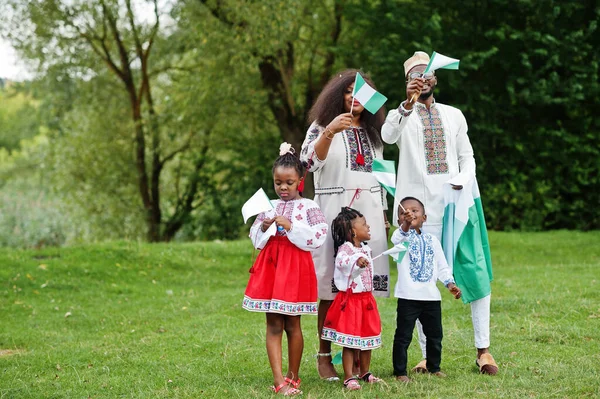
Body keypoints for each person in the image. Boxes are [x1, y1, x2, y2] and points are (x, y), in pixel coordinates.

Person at [382, 51, 498, 375]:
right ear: (407, 83)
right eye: (414, 75)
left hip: (455, 206)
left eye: (426, 72)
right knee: (418, 279)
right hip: (418, 213)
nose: (422, 78)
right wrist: (406, 104)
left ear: (436, 78)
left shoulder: (454, 115)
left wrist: (462, 180)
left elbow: (468, 156)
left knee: (474, 270)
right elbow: (386, 136)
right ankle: (423, 356)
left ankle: (484, 350)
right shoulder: (401, 116)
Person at [300, 69, 389, 381]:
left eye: (361, 92)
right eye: (350, 91)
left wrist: (385, 215)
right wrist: (330, 132)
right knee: (331, 287)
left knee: (363, 289)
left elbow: (381, 176)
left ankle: (360, 361)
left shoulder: (373, 132)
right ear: (339, 95)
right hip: (334, 212)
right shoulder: (322, 125)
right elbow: (307, 164)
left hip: (369, 214)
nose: (355, 98)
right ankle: (325, 356)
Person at [242, 143, 329, 396]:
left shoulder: (309, 207)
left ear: (300, 181)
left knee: (293, 323)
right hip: (271, 268)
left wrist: (291, 227)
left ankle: (293, 376)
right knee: (273, 324)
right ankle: (279, 381)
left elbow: (319, 236)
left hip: (295, 269)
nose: (283, 188)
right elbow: (256, 240)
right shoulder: (267, 206)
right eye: (278, 183)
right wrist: (266, 226)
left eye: (289, 183)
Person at [391, 197, 462, 382]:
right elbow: (398, 237)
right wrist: (405, 226)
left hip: (431, 297)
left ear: (425, 217)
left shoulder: (433, 240)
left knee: (435, 335)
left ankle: (434, 367)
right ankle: (400, 372)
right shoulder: (400, 240)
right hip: (408, 296)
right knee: (403, 336)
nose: (410, 213)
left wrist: (450, 284)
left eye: (415, 211)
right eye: (404, 212)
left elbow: (442, 266)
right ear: (399, 220)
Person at [321, 207, 383, 390]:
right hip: (351, 302)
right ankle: (349, 376)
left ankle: (364, 372)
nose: (368, 226)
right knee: (350, 341)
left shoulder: (365, 248)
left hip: (367, 301)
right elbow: (342, 262)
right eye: (364, 224)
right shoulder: (345, 249)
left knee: (366, 338)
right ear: (353, 231)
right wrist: (356, 261)